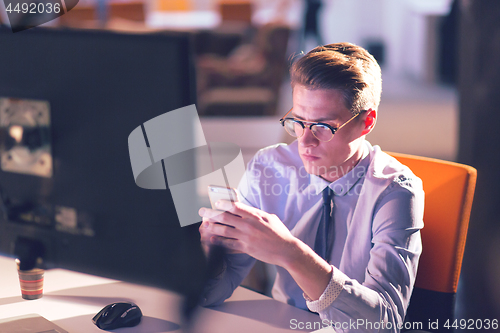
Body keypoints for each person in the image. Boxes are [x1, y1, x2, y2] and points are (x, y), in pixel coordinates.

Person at [198, 43, 424, 332]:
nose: (304, 142)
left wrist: (290, 253)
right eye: (298, 122)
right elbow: (210, 294)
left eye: (323, 127)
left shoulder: (395, 191)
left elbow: (383, 324)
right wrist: (210, 254)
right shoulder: (268, 167)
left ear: (366, 122)